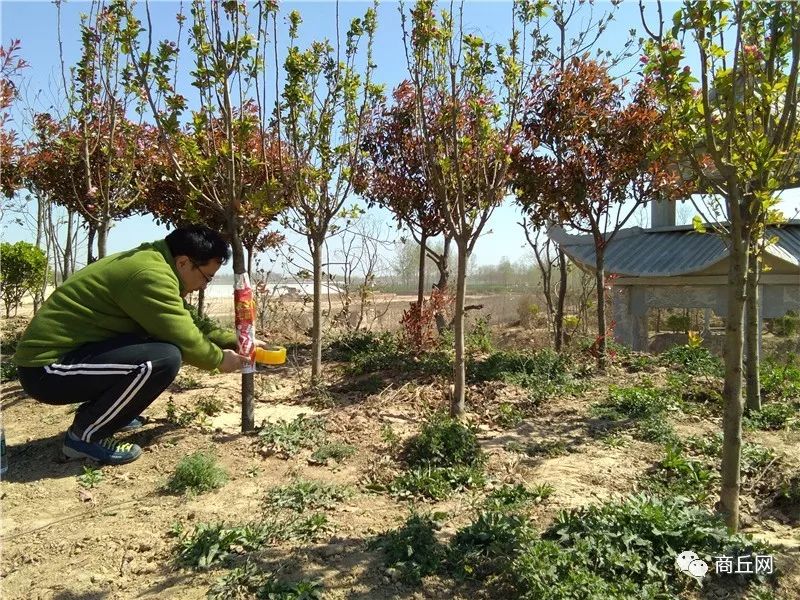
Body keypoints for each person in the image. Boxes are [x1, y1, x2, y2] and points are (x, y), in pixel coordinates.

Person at [13, 225, 263, 465]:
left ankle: (112, 415)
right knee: (163, 358)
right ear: (184, 262)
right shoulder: (149, 276)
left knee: (155, 345)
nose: (204, 285)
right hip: (47, 370)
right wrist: (219, 360)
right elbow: (184, 336)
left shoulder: (155, 263)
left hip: (74, 357)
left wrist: (236, 341)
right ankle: (84, 437)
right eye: (206, 277)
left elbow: (185, 319)